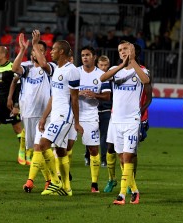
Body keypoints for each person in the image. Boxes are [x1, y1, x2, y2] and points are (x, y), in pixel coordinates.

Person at [100, 40, 150, 205]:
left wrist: (132, 61)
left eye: (126, 49)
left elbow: (146, 81)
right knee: (122, 158)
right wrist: (122, 65)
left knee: (128, 157)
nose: (123, 51)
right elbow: (102, 77)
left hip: (132, 121)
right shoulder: (115, 70)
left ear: (133, 50)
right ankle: (135, 191)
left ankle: (121, 195)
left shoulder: (141, 70)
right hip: (116, 120)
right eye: (120, 50)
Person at [34, 40, 83, 196]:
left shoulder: (72, 71)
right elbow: (54, 96)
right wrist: (43, 117)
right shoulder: (56, 69)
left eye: (54, 49)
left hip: (64, 115)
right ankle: (67, 187)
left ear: (62, 52)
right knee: (61, 151)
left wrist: (76, 122)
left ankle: (55, 181)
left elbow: (74, 99)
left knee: (43, 144)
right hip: (55, 114)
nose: (51, 52)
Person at [9, 30, 56, 192]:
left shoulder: (51, 68)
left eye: (41, 50)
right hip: (28, 113)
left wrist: (35, 44)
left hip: (45, 115)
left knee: (39, 148)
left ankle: (31, 181)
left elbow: (43, 64)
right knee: (38, 150)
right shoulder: (27, 67)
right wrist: (22, 50)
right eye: (35, 51)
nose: (37, 53)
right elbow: (14, 68)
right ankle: (49, 179)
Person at [78, 47, 111, 193]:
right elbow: (66, 91)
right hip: (73, 114)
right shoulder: (75, 72)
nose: (85, 57)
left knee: (93, 149)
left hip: (90, 115)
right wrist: (78, 93)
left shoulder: (101, 75)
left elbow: (107, 96)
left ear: (94, 57)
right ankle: (62, 180)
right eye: (83, 55)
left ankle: (94, 184)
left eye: (87, 55)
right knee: (65, 148)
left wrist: (94, 95)